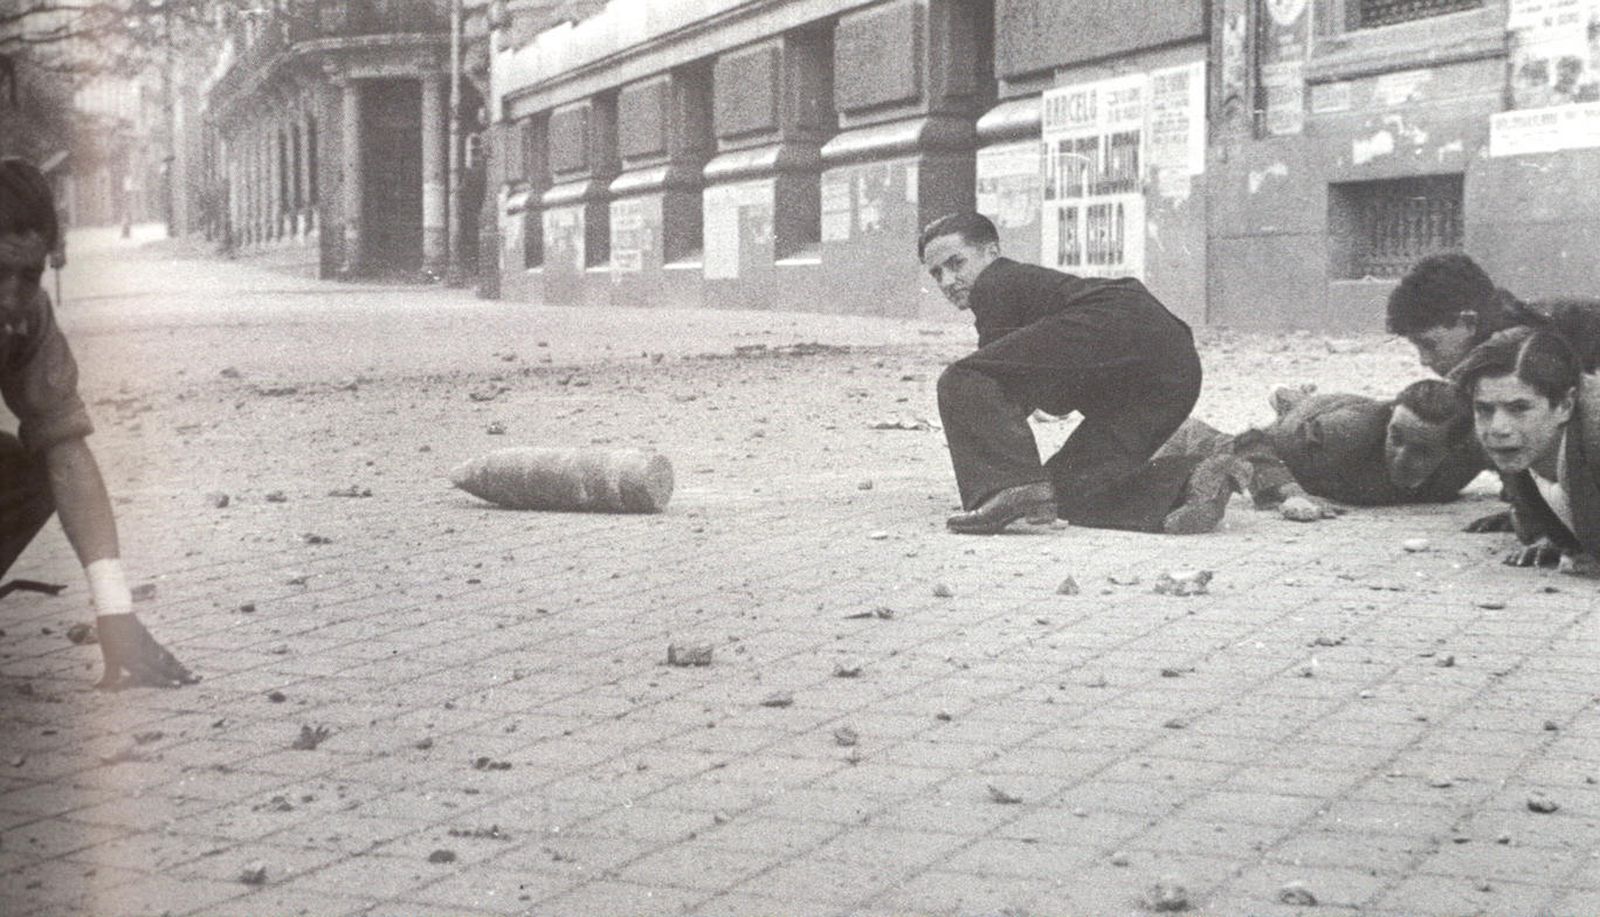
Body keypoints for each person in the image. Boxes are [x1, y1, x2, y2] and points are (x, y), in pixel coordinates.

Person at [0, 157, 195, 688]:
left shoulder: (27, 317)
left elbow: (65, 447)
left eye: (29, 275)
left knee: (33, 466)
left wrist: (114, 610)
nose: (12, 299)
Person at [919, 212, 1205, 534]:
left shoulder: (996, 282)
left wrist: (998, 474)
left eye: (956, 264)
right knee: (1062, 491)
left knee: (962, 379)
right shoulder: (1021, 290)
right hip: (1174, 372)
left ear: (992, 253)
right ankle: (1194, 479)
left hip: (1119, 323)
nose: (945, 281)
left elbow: (992, 386)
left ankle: (1006, 491)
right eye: (936, 273)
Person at [1449, 325, 1600, 570]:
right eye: (1484, 409)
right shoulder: (1514, 444)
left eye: (1519, 408)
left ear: (1565, 405)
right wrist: (1555, 537)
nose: (1498, 428)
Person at [1247, 379, 1486, 507]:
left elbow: (1519, 465)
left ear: (1454, 448)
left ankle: (1291, 398)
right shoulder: (1345, 433)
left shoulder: (1475, 451)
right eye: (1396, 438)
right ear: (1390, 420)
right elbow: (1249, 443)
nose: (1401, 458)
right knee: (1297, 416)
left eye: (1421, 451)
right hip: (1320, 419)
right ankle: (1288, 400)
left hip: (1349, 415)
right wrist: (1291, 492)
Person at [1386, 252, 1600, 375]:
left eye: (1429, 344)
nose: (1424, 360)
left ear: (1469, 322)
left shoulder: (1518, 354)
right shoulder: (1514, 327)